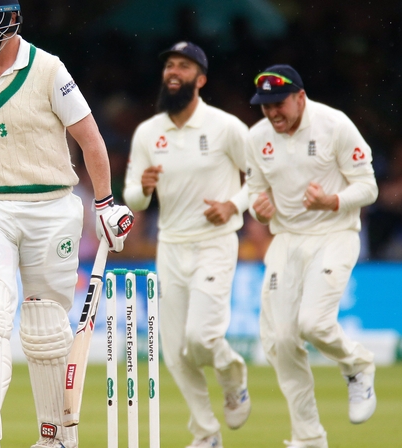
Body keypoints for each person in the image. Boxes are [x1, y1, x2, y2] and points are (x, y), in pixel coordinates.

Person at [0, 2, 133, 448]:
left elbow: (90, 137)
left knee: (44, 324)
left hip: (51, 207)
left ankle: (56, 436)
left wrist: (106, 202)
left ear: (10, 20)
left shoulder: (49, 70)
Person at [123, 41, 251, 448]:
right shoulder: (148, 132)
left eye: (183, 66)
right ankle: (206, 432)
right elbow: (133, 197)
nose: (173, 72)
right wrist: (142, 191)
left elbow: (264, 177)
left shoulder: (226, 127)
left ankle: (233, 378)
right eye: (169, 66)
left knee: (201, 338)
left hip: (214, 242)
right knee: (174, 352)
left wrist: (233, 204)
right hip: (171, 246)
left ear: (201, 79)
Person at [246, 64, 378, 448]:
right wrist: (260, 209)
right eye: (265, 106)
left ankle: (357, 364)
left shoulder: (334, 125)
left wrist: (332, 200)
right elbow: (256, 193)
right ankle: (308, 437)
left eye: (278, 103)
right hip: (286, 239)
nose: (272, 113)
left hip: (334, 232)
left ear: (300, 97)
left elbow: (368, 187)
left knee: (313, 324)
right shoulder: (257, 138)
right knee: (281, 340)